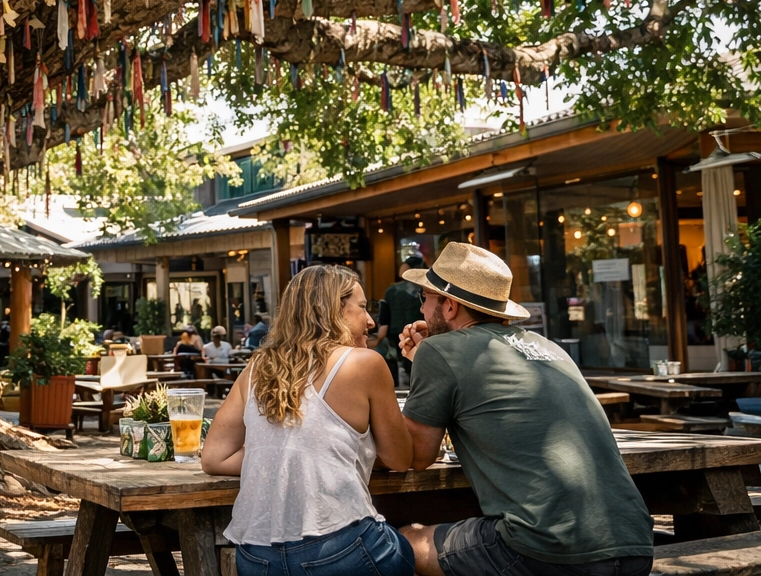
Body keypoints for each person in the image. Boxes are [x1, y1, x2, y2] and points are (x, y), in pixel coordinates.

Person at [396, 242, 653, 576]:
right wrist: (429, 366)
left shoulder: (439, 350)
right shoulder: (548, 347)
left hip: (546, 550)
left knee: (404, 542)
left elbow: (417, 455)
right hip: (635, 546)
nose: (421, 310)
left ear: (449, 306)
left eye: (425, 298)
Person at [203, 265, 413, 576]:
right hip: (340, 550)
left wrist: (285, 452)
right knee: (413, 545)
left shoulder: (257, 365)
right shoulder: (365, 363)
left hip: (256, 558)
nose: (370, 322)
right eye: (363, 308)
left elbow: (213, 457)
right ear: (332, 310)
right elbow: (399, 458)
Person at [374, 254, 425, 385]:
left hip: (396, 336)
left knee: (400, 369)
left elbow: (384, 318)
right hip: (421, 335)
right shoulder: (426, 290)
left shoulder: (392, 290)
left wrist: (379, 338)